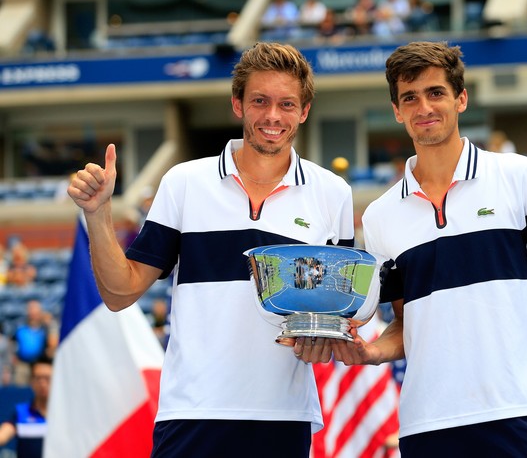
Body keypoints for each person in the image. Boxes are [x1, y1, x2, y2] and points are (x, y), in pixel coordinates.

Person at [66, 42, 354, 457]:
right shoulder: (184, 183)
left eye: (287, 104)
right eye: (260, 101)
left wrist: (325, 337)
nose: (273, 116)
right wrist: (98, 214)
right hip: (192, 413)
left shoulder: (333, 194)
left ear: (304, 111)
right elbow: (119, 293)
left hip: (285, 417)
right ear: (237, 104)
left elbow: (337, 313)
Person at [326, 41, 527, 456]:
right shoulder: (380, 217)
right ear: (397, 111)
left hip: (520, 412)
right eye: (410, 98)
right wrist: (374, 350)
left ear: (461, 99)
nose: (424, 107)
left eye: (436, 92)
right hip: (428, 422)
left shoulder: (517, 176)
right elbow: (405, 325)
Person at [0, 356, 52, 458]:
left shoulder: (66, 415)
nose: (42, 383)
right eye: (38, 378)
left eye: (47, 378)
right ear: (31, 381)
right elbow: (3, 435)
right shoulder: (20, 412)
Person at [12, 300, 55, 386]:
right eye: (30, 309)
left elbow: (53, 344)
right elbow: (12, 344)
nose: (32, 313)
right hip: (23, 365)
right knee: (21, 387)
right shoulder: (20, 328)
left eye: (35, 310)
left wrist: (50, 324)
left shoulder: (45, 329)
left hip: (41, 363)